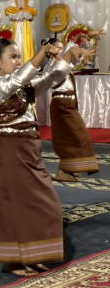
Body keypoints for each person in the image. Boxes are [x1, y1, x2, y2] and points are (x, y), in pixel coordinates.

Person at [0, 38, 90, 276]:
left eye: (19, 57)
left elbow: (51, 78)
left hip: (29, 149)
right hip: (8, 151)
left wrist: (65, 57)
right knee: (13, 206)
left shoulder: (24, 88)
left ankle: (34, 255)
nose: (18, 61)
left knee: (41, 203)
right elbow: (17, 79)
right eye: (13, 57)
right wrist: (42, 52)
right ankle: (15, 261)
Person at [41, 32, 103, 181]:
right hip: (61, 104)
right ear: (49, 50)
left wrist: (82, 37)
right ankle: (63, 171)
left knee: (71, 137)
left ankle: (69, 169)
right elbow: (71, 51)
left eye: (61, 47)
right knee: (78, 136)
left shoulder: (61, 62)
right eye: (58, 48)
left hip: (67, 103)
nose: (61, 50)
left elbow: (71, 49)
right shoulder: (51, 66)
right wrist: (82, 50)